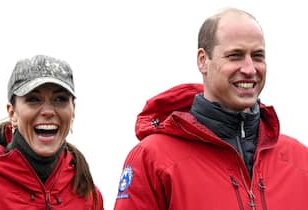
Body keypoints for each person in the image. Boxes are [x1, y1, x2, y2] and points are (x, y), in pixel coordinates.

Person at [113, 8, 308, 210]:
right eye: (235, 55)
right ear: (203, 61)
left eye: (258, 56)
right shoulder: (153, 158)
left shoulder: (301, 160)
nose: (250, 69)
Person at [0, 55, 104, 210]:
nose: (48, 111)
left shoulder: (87, 193)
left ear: (73, 110)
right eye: (34, 99)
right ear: (12, 113)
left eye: (60, 99)